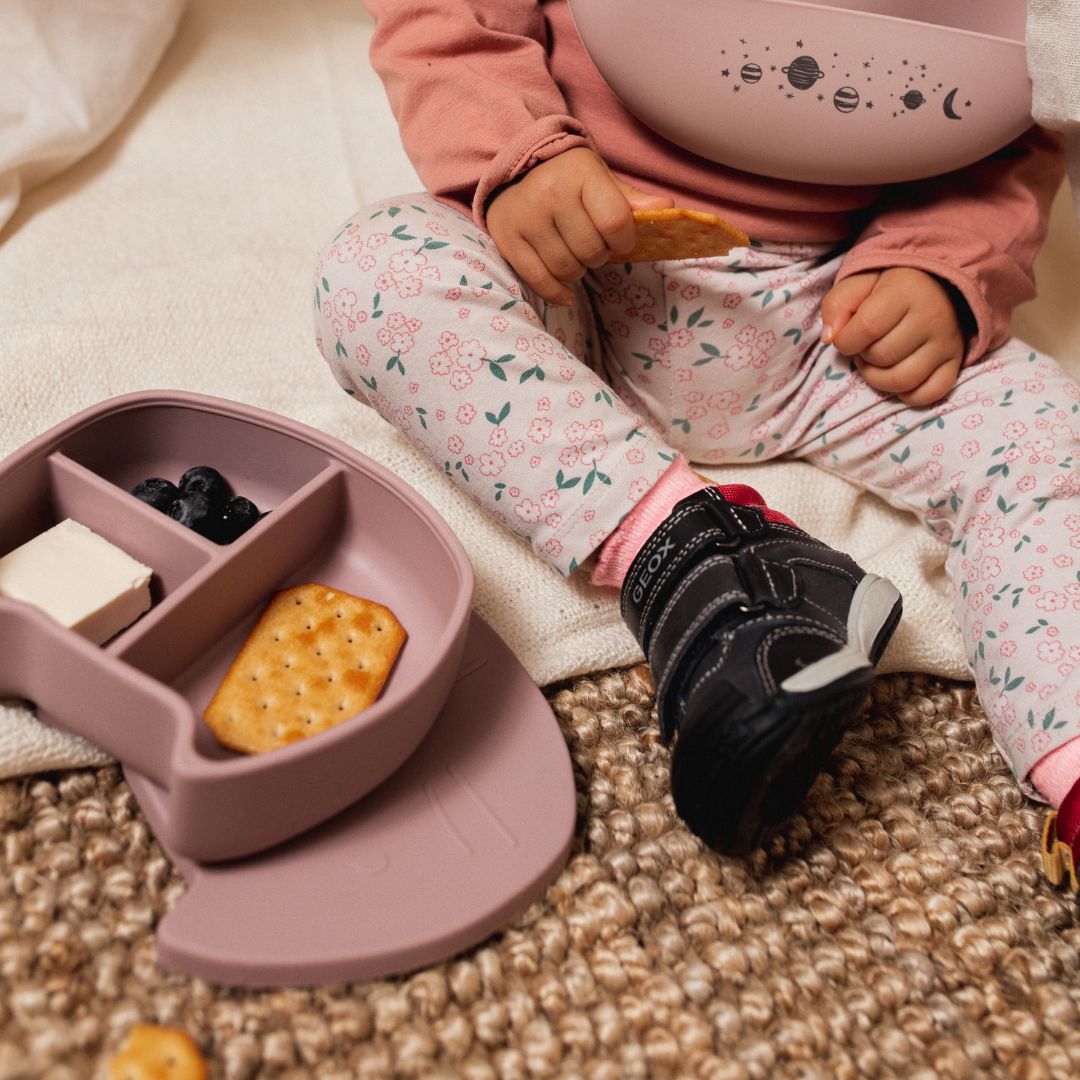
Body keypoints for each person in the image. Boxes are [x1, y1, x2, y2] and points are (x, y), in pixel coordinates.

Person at [313, 1, 1079, 861]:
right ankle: (699, 561)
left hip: (841, 320)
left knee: (1046, 437)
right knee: (380, 269)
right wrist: (517, 151)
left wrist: (943, 262)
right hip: (579, 269)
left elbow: (1019, 105)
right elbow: (447, 18)